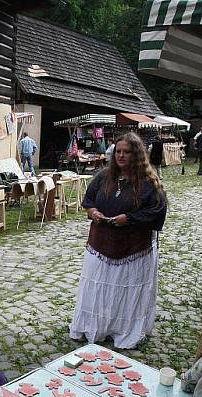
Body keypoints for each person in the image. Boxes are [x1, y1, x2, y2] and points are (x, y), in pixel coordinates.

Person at [69, 132, 167, 349]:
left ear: (137, 155)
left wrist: (129, 218)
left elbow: (158, 212)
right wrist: (93, 211)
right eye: (118, 152)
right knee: (99, 290)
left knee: (125, 291)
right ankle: (97, 326)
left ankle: (122, 329)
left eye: (127, 152)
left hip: (132, 249)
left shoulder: (149, 183)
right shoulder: (104, 177)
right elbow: (89, 200)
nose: (121, 156)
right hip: (101, 244)